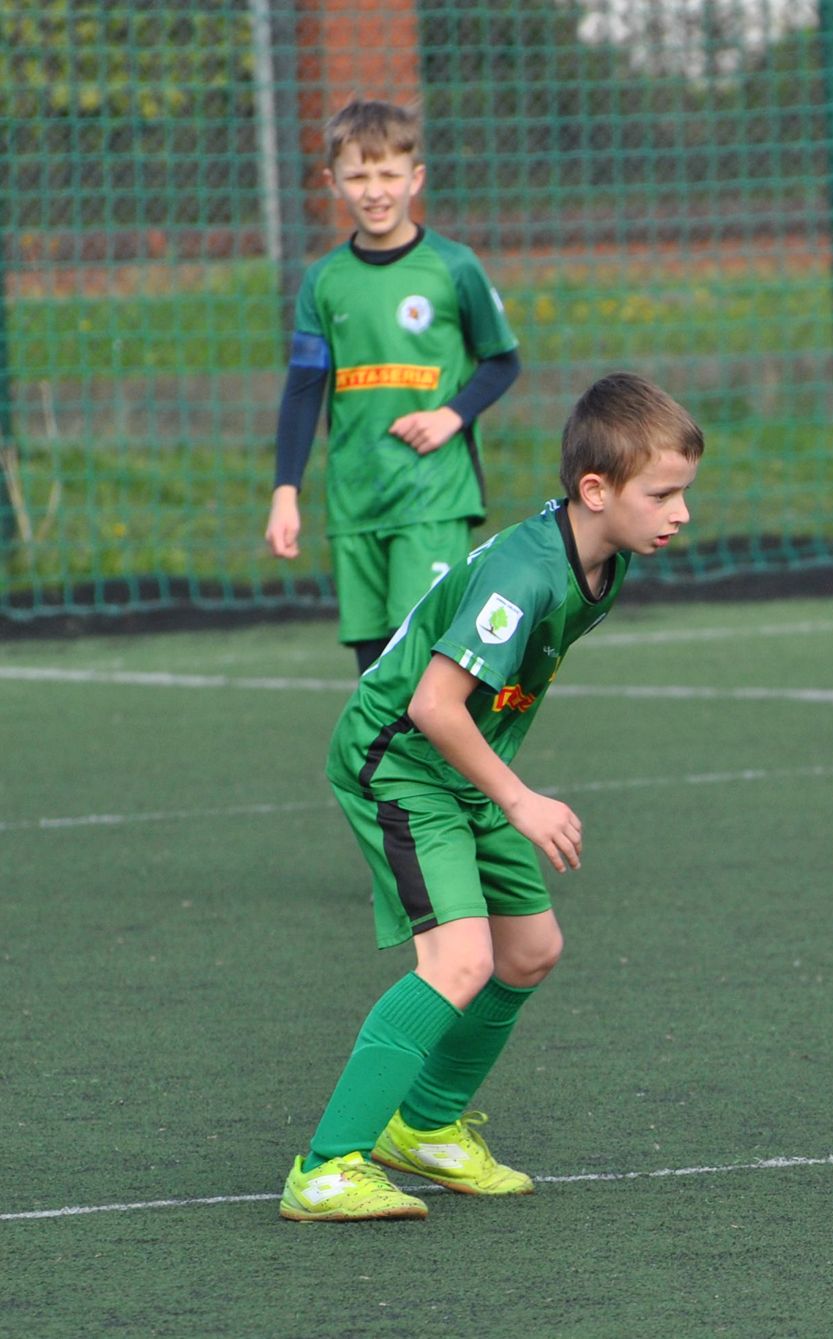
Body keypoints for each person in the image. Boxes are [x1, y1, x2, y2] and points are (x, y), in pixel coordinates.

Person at [280, 372, 703, 1222]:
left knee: (530, 950)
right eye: (662, 494)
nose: (681, 513)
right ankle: (325, 1167)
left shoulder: (607, 561)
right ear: (596, 490)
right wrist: (518, 798)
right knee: (459, 962)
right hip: (401, 758)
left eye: (684, 493)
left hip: (463, 768)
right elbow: (434, 705)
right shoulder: (523, 574)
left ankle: (426, 1128)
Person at [263, 99, 523, 673]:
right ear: (332, 183)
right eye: (358, 176)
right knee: (374, 669)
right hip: (355, 497)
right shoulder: (323, 281)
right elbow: (303, 391)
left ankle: (446, 737)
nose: (375, 191)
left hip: (432, 494)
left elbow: (503, 362)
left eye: (388, 174)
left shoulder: (454, 267)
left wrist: (450, 416)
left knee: (421, 657)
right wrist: (286, 491)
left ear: (416, 178)